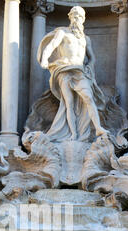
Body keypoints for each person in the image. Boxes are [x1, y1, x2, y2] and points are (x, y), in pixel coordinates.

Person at [37, 5, 107, 142]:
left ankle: (98, 128)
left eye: (80, 16)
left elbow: (91, 57)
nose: (77, 18)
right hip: (64, 70)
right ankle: (74, 134)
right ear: (70, 17)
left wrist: (90, 67)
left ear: (84, 19)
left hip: (80, 71)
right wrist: (44, 59)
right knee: (69, 103)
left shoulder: (86, 39)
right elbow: (51, 46)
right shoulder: (62, 33)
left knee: (88, 97)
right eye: (75, 15)